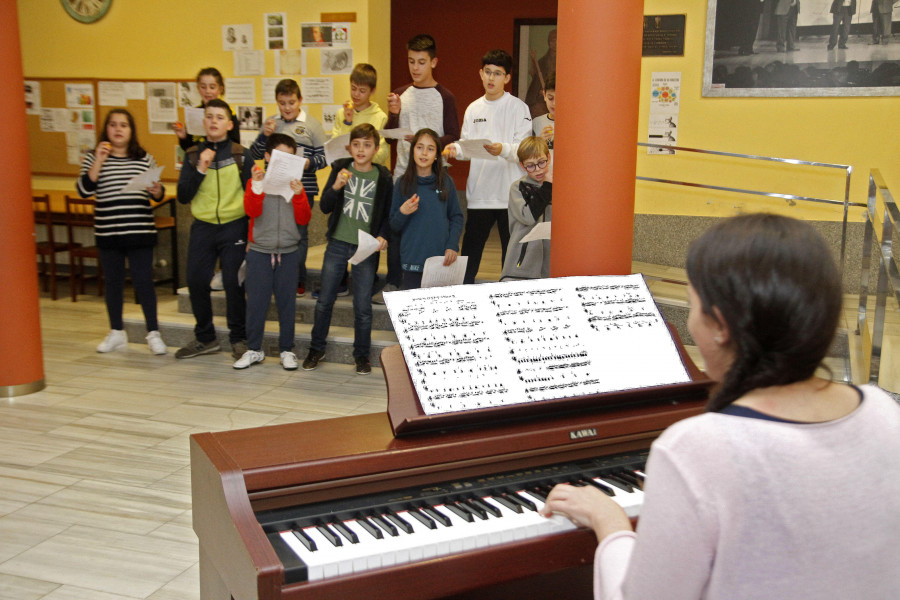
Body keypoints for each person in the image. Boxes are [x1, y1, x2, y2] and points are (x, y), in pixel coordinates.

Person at [539, 213, 900, 599]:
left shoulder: (698, 447)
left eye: (693, 305)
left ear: (721, 326)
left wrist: (610, 522)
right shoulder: (883, 412)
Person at [76, 109, 167, 355]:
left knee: (143, 282)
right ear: (106, 129)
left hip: (139, 230)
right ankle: (116, 331)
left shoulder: (143, 158)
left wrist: (156, 190)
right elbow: (84, 190)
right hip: (109, 232)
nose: (118, 129)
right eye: (113, 125)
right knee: (113, 283)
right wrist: (98, 160)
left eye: (123, 125)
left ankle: (153, 333)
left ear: (131, 130)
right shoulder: (94, 157)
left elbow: (158, 193)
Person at [303, 124, 393, 375]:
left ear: (376, 149)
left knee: (362, 306)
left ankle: (361, 355)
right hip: (338, 244)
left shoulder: (383, 177)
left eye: (367, 145)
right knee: (324, 301)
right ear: (349, 147)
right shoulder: (340, 169)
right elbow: (325, 207)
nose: (361, 150)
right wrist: (336, 186)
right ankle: (315, 348)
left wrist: (383, 235)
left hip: (365, 247)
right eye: (356, 144)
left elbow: (387, 214)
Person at [380, 34, 460, 302]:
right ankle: (395, 283)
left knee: (430, 228)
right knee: (400, 225)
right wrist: (393, 113)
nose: (416, 68)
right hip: (404, 172)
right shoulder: (401, 93)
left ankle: (431, 282)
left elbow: (453, 134)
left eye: (422, 62)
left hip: (435, 175)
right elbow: (389, 134)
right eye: (411, 61)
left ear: (434, 62)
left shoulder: (444, 96)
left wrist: (426, 142)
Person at [444, 49, 532, 284]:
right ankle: (464, 297)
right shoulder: (473, 108)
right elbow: (466, 146)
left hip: (510, 195)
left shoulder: (518, 108)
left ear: (507, 78)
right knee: (470, 253)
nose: (492, 78)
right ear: (480, 74)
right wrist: (455, 150)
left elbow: (524, 150)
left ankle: (507, 298)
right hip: (480, 194)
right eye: (488, 72)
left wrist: (501, 149)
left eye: (498, 73)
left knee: (509, 254)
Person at [176, 99, 253, 360]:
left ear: (229, 124)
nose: (213, 121)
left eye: (219, 117)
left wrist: (252, 233)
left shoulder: (241, 154)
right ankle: (205, 338)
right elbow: (183, 196)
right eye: (209, 117)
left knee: (233, 282)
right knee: (196, 280)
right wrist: (200, 169)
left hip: (235, 226)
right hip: (203, 227)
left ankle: (238, 338)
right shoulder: (192, 155)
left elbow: (253, 197)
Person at [234, 133, 311, 371]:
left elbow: (304, 218)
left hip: (288, 252)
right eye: (279, 156)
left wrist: (298, 196)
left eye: (290, 158)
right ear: (267, 157)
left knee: (287, 304)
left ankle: (287, 350)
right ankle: (254, 349)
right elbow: (251, 211)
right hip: (259, 251)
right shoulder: (256, 181)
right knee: (256, 303)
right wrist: (257, 186)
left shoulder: (297, 185)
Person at [250, 79, 326, 296]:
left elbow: (324, 158)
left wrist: (308, 163)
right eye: (282, 103)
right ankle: (273, 276)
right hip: (272, 189)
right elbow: (255, 154)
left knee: (299, 235)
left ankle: (297, 279)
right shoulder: (271, 123)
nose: (287, 107)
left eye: (291, 102)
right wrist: (264, 135)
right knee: (272, 232)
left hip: (302, 189)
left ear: (300, 100)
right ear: (277, 102)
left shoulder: (312, 125)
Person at [389, 128, 463, 290]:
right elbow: (393, 225)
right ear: (412, 150)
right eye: (419, 147)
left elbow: (456, 217)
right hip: (412, 259)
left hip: (440, 260)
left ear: (436, 154)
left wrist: (452, 245)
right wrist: (402, 213)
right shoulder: (402, 183)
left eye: (430, 149)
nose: (424, 153)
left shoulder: (446, 182)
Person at [500, 137, 552, 281]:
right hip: (521, 266)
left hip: (549, 266)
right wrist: (547, 187)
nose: (538, 169)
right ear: (523, 166)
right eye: (531, 166)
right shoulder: (518, 187)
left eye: (542, 162)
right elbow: (528, 217)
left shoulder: (558, 186)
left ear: (549, 157)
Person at [173, 67, 240, 152]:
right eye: (203, 87)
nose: (207, 91)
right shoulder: (194, 113)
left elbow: (236, 145)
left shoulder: (229, 113)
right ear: (198, 88)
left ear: (220, 89)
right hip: (197, 162)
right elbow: (188, 148)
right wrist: (183, 137)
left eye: (212, 87)